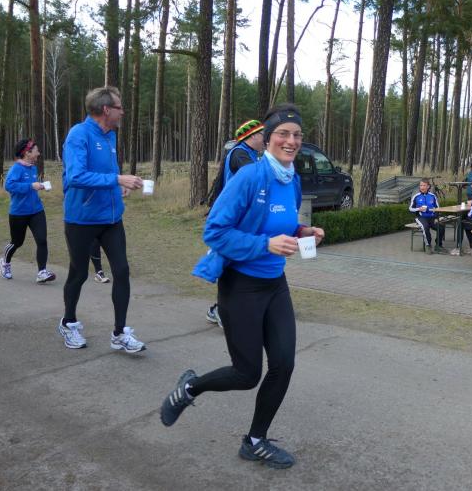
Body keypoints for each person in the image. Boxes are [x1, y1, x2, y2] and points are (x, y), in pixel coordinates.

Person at [160, 103, 324, 470]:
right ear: (267, 138)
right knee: (247, 374)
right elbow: (214, 232)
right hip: (241, 286)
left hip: (275, 284)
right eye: (283, 134)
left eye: (297, 135)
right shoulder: (249, 178)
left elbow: (282, 224)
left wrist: (303, 231)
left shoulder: (292, 180)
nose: (291, 141)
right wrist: (265, 245)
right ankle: (189, 388)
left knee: (283, 364)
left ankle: (255, 441)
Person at [57, 86, 146, 352]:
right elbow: (76, 176)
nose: (123, 112)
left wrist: (120, 187)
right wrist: (116, 179)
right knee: (78, 273)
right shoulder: (79, 134)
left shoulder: (110, 136)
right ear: (106, 110)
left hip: (111, 218)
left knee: (122, 271)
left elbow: (108, 173)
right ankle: (68, 323)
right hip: (82, 219)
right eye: (119, 107)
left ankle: (119, 333)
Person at [205, 119, 266, 328]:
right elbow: (255, 177)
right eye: (262, 135)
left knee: (240, 263)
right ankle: (220, 310)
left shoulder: (251, 154)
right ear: (252, 136)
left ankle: (226, 307)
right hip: (232, 219)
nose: (265, 139)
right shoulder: (240, 153)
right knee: (230, 263)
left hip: (242, 218)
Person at [0, 138, 56, 283]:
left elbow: (32, 185)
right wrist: (30, 186)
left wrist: (41, 186)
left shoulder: (33, 168)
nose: (39, 153)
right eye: (36, 151)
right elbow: (9, 186)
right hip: (19, 212)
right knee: (17, 242)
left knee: (42, 240)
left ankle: (42, 272)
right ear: (27, 153)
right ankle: (5, 263)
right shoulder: (16, 168)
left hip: (36, 210)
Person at [409, 178, 445, 254]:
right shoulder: (416, 196)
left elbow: (438, 208)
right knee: (425, 227)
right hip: (421, 217)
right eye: (421, 185)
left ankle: (438, 245)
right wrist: (418, 209)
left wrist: (436, 217)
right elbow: (410, 209)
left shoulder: (433, 196)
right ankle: (428, 245)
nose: (422, 187)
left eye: (424, 185)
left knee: (441, 227)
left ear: (428, 186)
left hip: (432, 217)